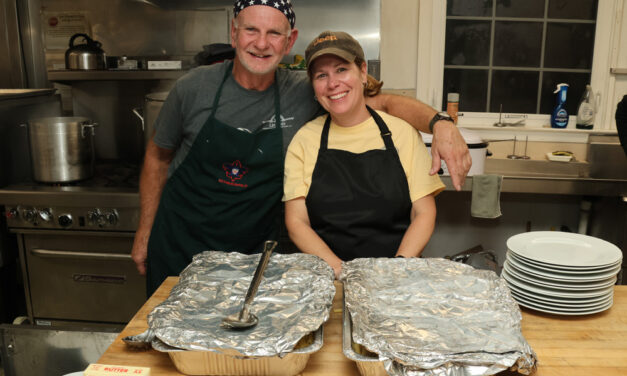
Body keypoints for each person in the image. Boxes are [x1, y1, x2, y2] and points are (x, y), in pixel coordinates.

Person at [131, 0, 471, 295]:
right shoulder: (192, 89)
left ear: (289, 40)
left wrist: (440, 123)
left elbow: (381, 104)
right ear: (233, 33)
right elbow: (157, 157)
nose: (261, 44)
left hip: (254, 253)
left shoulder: (301, 90)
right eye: (251, 30)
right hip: (182, 244)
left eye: (274, 34)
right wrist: (145, 230)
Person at [283, 31, 445, 278]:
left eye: (341, 69)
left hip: (396, 276)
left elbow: (423, 212)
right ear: (313, 86)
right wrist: (342, 272)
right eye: (321, 75)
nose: (332, 83)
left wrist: (396, 269)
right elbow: (297, 222)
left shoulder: (401, 133)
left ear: (362, 71)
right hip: (328, 278)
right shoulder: (304, 140)